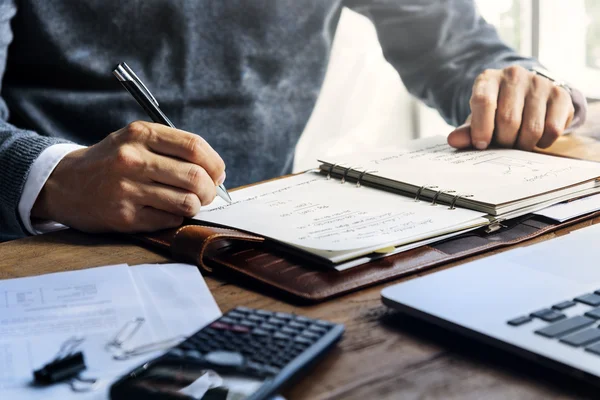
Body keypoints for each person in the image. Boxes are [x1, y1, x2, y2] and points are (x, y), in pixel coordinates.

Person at [0, 0, 586, 241]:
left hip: (252, 237)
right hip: (38, 242)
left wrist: (518, 83)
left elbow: (452, 46)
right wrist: (54, 177)